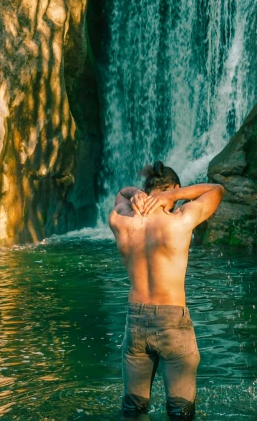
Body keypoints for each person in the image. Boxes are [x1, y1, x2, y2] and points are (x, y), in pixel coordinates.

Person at [108, 161, 225, 420]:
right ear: (171, 190)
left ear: (146, 191)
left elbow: (121, 194)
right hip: (173, 323)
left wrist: (134, 193)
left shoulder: (120, 220)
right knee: (180, 412)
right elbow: (216, 190)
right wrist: (175, 195)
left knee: (133, 410)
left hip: (135, 322)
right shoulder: (180, 220)